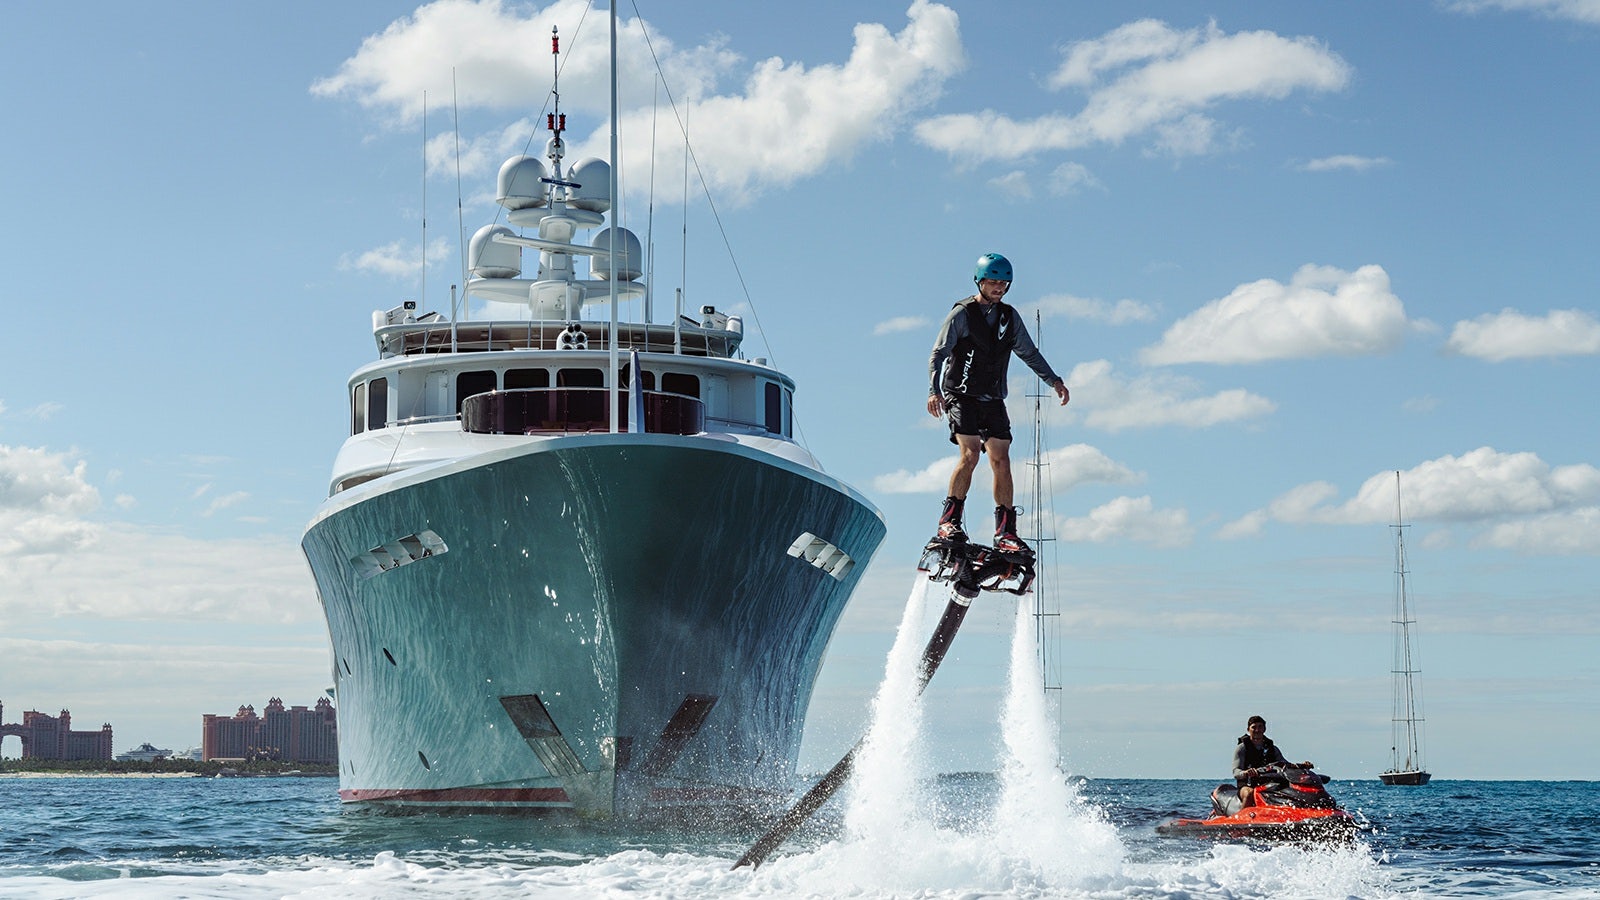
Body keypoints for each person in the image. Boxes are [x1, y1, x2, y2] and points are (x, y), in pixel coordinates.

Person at [927, 252, 1069, 552]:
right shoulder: (962, 315)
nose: (999, 288)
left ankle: (1006, 531)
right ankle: (949, 521)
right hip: (961, 395)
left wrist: (1053, 380)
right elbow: (939, 353)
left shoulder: (1009, 317)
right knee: (971, 454)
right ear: (979, 281)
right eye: (993, 282)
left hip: (992, 399)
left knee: (1001, 458)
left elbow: (1029, 353)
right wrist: (933, 390)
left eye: (1004, 283)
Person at [1232, 715, 1314, 807]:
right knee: (1250, 793)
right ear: (1248, 729)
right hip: (1247, 785)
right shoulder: (1242, 748)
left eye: (1260, 727)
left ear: (1264, 729)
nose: (1257, 730)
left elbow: (1285, 764)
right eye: (1254, 727)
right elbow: (1236, 772)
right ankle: (1242, 818)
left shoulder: (1272, 749)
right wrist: (1246, 772)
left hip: (1267, 785)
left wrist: (1302, 766)